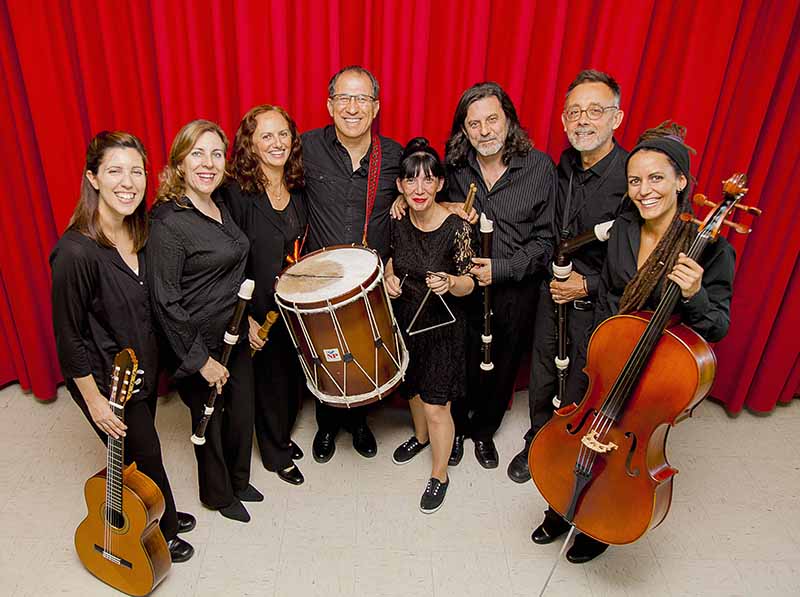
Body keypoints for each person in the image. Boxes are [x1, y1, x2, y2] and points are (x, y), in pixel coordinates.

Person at [530, 121, 735, 564]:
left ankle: (599, 520)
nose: (645, 190)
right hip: (607, 355)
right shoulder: (624, 228)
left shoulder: (710, 249)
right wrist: (601, 346)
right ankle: (560, 507)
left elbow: (717, 327)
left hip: (654, 375)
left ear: (681, 181)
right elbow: (609, 289)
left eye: (656, 178)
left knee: (621, 445)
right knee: (580, 433)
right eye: (636, 180)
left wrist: (695, 294)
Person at [50, 131, 194, 562]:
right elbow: (68, 336)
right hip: (104, 382)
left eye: (136, 171)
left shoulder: (142, 230)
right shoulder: (75, 253)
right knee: (144, 452)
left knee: (142, 450)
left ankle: (159, 506)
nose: (127, 181)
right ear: (92, 178)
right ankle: (160, 531)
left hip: (139, 369)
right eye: (115, 171)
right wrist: (94, 402)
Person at [507, 70, 628, 483]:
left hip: (599, 301)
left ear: (617, 117)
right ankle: (537, 438)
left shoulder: (632, 178)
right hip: (552, 290)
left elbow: (641, 262)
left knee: (583, 378)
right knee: (543, 370)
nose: (583, 120)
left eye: (595, 110)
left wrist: (587, 285)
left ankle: (572, 448)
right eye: (574, 111)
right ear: (562, 121)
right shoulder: (564, 165)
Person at [147, 120, 261, 523]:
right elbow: (165, 301)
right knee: (209, 424)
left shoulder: (218, 204)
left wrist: (244, 321)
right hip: (194, 341)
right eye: (197, 154)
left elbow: (228, 274)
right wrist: (201, 360)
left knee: (242, 411)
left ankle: (239, 479)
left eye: (216, 154)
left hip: (233, 332)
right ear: (179, 163)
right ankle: (218, 495)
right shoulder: (168, 223)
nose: (208, 163)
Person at [444, 82, 556, 468]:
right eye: (474, 124)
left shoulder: (540, 168)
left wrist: (504, 269)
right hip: (465, 287)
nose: (484, 131)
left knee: (503, 363)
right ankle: (456, 429)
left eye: (492, 119)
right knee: (460, 359)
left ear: (509, 120)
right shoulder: (455, 166)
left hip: (515, 288)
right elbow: (431, 205)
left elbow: (546, 242)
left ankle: (483, 432)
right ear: (464, 130)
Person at [301, 65, 403, 463]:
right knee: (325, 352)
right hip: (320, 276)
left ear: (376, 107)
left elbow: (423, 193)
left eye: (362, 98)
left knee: (363, 352)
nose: (352, 107)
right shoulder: (305, 147)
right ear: (329, 105)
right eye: (344, 98)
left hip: (370, 277)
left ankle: (360, 423)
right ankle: (327, 425)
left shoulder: (394, 156)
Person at [384, 138, 476, 513]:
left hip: (443, 326)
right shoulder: (399, 220)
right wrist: (389, 279)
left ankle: (439, 475)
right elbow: (392, 262)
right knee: (414, 391)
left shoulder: (457, 227)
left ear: (439, 183)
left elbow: (471, 280)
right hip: (406, 320)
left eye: (427, 180)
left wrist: (451, 283)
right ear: (401, 186)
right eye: (411, 181)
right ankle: (421, 438)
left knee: (438, 405)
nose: (418, 189)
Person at [222, 105, 307, 486]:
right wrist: (246, 319)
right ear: (250, 144)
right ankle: (275, 454)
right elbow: (226, 261)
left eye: (283, 134)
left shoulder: (298, 186)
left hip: (294, 305)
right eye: (267, 136)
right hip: (258, 309)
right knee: (269, 382)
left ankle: (281, 435)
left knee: (291, 376)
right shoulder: (236, 195)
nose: (277, 143)